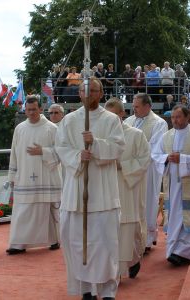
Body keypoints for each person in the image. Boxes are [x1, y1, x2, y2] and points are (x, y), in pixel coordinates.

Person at [55, 78, 125, 300]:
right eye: (85, 91)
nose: (89, 95)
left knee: (105, 244)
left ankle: (107, 291)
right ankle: (85, 289)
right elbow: (61, 147)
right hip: (77, 193)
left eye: (94, 90)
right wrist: (78, 156)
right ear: (79, 94)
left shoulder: (112, 120)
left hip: (103, 194)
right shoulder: (69, 120)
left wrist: (95, 144)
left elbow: (118, 148)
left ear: (101, 93)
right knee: (77, 242)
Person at [152, 105, 190, 265]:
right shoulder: (166, 136)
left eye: (178, 117)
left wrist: (182, 159)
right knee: (175, 216)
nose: (175, 120)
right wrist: (166, 158)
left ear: (186, 118)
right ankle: (174, 250)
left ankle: (188, 252)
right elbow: (156, 155)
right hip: (173, 185)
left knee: (189, 216)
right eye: (172, 118)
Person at [7, 95, 61, 255]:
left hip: (46, 177)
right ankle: (18, 244)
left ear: (40, 109)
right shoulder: (20, 129)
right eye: (28, 110)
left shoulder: (52, 128)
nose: (30, 113)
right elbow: (14, 153)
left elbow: (61, 153)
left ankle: (54, 240)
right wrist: (12, 176)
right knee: (22, 211)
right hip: (24, 178)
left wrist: (43, 151)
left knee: (48, 211)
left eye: (33, 109)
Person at [104, 98, 150, 279]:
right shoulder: (102, 137)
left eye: (115, 114)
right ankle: (113, 271)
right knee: (110, 231)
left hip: (128, 188)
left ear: (122, 114)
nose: (111, 119)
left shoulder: (136, 135)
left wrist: (122, 165)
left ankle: (133, 259)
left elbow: (145, 159)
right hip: (106, 190)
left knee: (130, 230)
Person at [124, 93, 168, 252]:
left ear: (148, 106)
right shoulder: (128, 121)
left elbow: (156, 146)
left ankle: (147, 239)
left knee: (147, 201)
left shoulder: (159, 123)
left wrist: (136, 158)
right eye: (133, 106)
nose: (133, 109)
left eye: (137, 106)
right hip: (129, 169)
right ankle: (130, 237)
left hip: (147, 169)